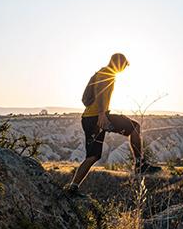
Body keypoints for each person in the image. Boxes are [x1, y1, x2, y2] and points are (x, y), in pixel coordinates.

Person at [65, 53, 161, 196]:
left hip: (90, 118)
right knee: (134, 127)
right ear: (119, 63)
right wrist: (103, 114)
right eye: (123, 66)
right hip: (97, 117)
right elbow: (101, 93)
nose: (123, 69)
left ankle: (73, 187)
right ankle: (140, 165)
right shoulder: (106, 73)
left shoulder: (102, 72)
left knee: (93, 156)